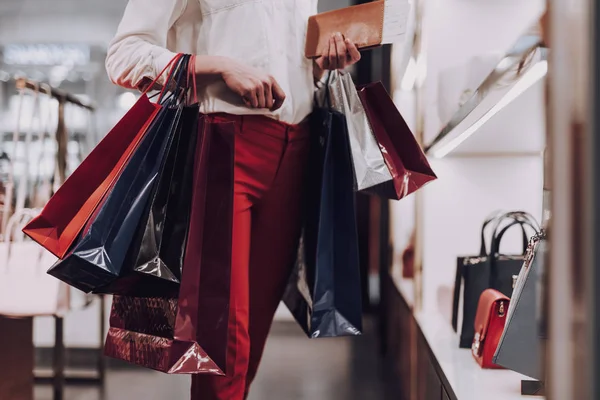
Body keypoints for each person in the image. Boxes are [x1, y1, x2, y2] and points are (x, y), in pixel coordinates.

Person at [105, 1, 361, 399]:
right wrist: (217, 65)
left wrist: (322, 63)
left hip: (299, 147)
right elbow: (124, 55)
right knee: (225, 334)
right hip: (224, 142)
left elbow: (290, 65)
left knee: (253, 330)